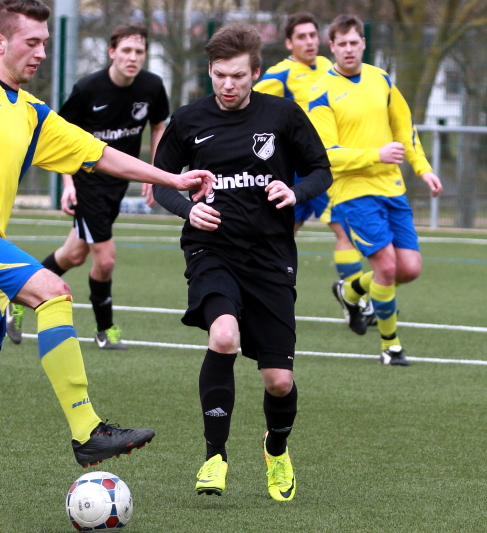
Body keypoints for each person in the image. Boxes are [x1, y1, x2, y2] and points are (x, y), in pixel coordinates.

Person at [0, 0, 214, 518]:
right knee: (53, 292)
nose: (41, 52)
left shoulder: (30, 112)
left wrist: (171, 178)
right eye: (31, 42)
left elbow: (98, 153)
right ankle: (87, 430)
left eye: (45, 44)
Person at [153, 23, 331, 501]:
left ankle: (276, 449)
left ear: (255, 72)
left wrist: (295, 192)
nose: (227, 85)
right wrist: (189, 209)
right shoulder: (188, 120)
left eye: (237, 76)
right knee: (224, 335)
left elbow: (321, 170)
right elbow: (160, 182)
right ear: (209, 72)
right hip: (212, 250)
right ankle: (215, 456)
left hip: (271, 256)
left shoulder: (283, 115)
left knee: (279, 381)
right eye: (219, 75)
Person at [5, 24, 170, 350]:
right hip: (87, 182)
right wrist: (68, 184)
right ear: (112, 52)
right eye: (126, 50)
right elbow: (59, 137)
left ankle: (16, 297)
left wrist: (155, 173)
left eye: (139, 52)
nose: (133, 57)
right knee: (105, 260)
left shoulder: (152, 86)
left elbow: (158, 125)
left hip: (117, 184)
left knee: (73, 255)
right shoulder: (88, 89)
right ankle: (104, 330)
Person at [307, 14, 442, 365]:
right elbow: (326, 154)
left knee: (409, 268)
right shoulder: (320, 92)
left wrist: (423, 168)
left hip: (391, 187)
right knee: (386, 267)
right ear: (331, 47)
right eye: (342, 44)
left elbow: (405, 128)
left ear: (363, 44)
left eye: (355, 42)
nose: (349, 49)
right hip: (353, 191)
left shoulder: (381, 79)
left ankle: (350, 291)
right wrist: (375, 155)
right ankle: (390, 347)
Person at [254, 13, 375, 325]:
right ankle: (259, 293)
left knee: (343, 229)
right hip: (290, 172)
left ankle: (357, 301)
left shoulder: (326, 66)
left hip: (320, 168)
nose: (309, 42)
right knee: (282, 236)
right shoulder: (280, 74)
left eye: (312, 35)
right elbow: (252, 107)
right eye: (301, 37)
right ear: (288, 43)